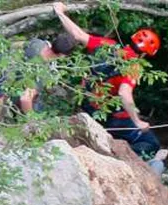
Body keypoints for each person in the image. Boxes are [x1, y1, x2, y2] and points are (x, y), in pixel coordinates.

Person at [53, 2, 161, 157]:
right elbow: (124, 93)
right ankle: (118, 158)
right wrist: (137, 121)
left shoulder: (109, 45)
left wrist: (60, 13)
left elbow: (77, 35)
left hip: (87, 104)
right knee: (151, 143)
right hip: (110, 117)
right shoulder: (134, 66)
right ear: (145, 54)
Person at [18, 32, 79, 113]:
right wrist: (31, 121)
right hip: (15, 94)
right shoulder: (42, 73)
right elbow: (25, 99)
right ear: (62, 55)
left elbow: (18, 45)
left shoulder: (37, 43)